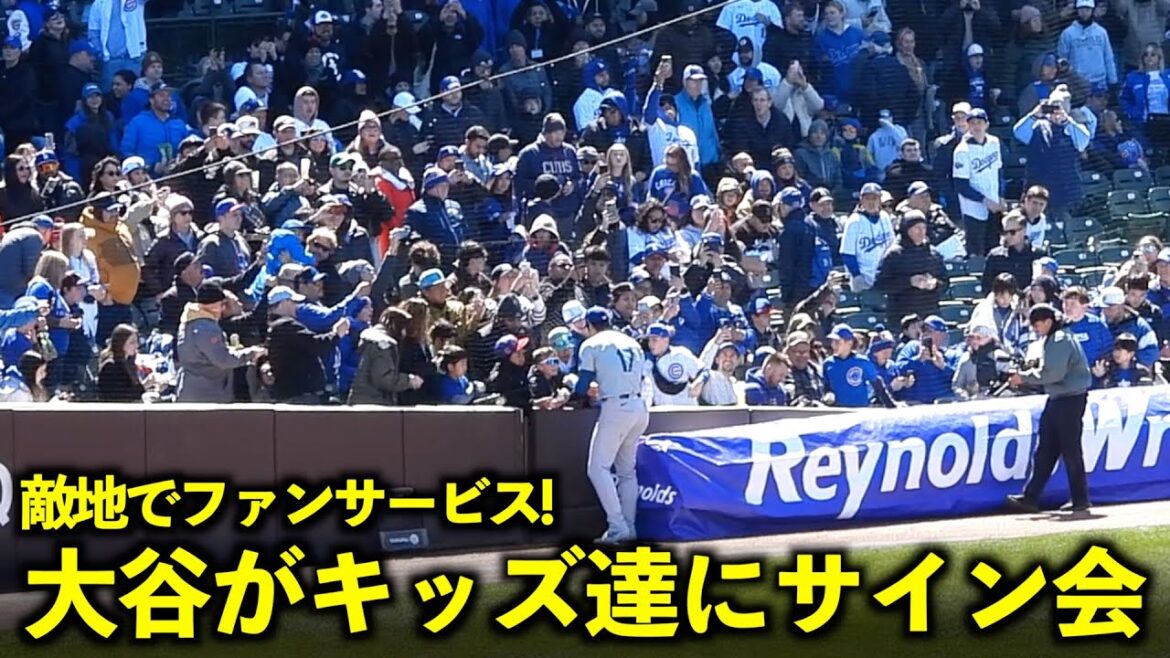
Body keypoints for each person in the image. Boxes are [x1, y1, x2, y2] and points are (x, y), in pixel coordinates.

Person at [1006, 303, 1093, 514]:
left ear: (1048, 322)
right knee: (1046, 450)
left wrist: (1023, 378)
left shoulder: (1060, 339)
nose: (1035, 329)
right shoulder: (1056, 338)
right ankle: (1030, 497)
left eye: (1037, 325)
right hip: (1060, 398)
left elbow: (1053, 375)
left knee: (1070, 450)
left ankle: (1080, 500)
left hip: (1068, 400)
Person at [574, 306, 649, 544]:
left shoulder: (591, 344)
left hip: (616, 407)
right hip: (639, 407)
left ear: (588, 325)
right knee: (627, 471)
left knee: (597, 469)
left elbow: (581, 386)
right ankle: (629, 527)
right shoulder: (631, 342)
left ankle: (617, 526)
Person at [175, 281, 264, 402]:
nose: (223, 308)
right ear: (214, 305)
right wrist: (250, 354)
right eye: (222, 304)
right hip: (206, 395)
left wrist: (235, 350)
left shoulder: (190, 321)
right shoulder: (206, 328)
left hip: (192, 390)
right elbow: (223, 360)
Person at [875, 210, 949, 327]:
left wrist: (934, 284)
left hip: (929, 315)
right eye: (916, 228)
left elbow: (945, 282)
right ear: (907, 230)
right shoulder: (894, 254)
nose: (921, 232)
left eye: (923, 228)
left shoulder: (934, 254)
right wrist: (909, 282)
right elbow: (880, 285)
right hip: (902, 318)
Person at [951, 107, 1004, 257]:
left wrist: (1000, 195)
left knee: (995, 249)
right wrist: (984, 200)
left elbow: (999, 171)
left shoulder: (994, 142)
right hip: (973, 209)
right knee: (976, 253)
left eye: (979, 122)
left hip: (994, 205)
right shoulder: (962, 150)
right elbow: (961, 186)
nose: (976, 126)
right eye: (972, 123)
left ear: (986, 124)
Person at [841, 182, 895, 292]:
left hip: (885, 277)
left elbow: (892, 246)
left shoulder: (885, 217)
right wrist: (857, 275)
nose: (871, 202)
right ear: (861, 200)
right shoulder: (854, 221)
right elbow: (847, 253)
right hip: (863, 278)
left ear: (880, 200)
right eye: (867, 198)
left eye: (874, 198)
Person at [97, 323, 145, 402]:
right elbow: (121, 396)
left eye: (137, 342)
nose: (136, 346)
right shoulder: (111, 366)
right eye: (132, 342)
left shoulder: (128, 363)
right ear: (121, 343)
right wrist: (146, 385)